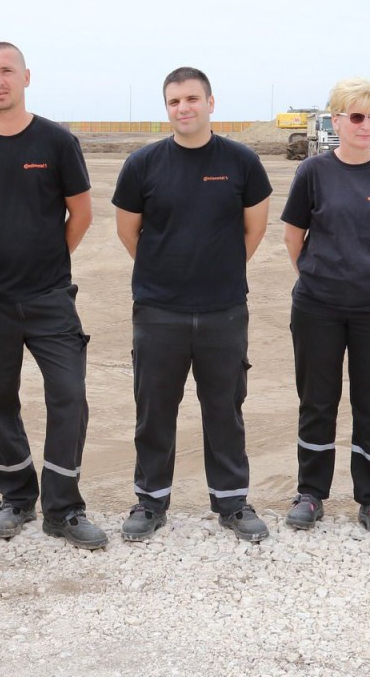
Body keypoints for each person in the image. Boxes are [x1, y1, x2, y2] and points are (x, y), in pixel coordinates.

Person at [0, 43, 106, 549]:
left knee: (69, 395)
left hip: (50, 297)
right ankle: (15, 498)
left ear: (26, 77)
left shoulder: (56, 141)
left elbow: (81, 213)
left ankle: (63, 507)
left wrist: (47, 260)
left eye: (7, 70)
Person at [112, 66, 272, 543]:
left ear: (210, 103)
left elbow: (254, 230)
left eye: (192, 99)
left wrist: (217, 271)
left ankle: (232, 502)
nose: (183, 108)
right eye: (174, 101)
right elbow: (128, 231)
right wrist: (165, 272)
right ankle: (150, 502)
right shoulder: (142, 164)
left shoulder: (242, 161)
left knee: (224, 409)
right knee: (154, 411)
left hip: (224, 310)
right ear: (167, 108)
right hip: (158, 311)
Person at [280, 78, 370, 539]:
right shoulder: (313, 172)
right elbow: (293, 236)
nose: (367, 125)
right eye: (357, 116)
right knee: (317, 401)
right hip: (318, 307)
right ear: (337, 120)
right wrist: (319, 275)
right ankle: (310, 494)